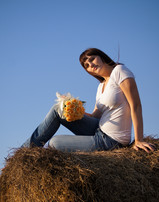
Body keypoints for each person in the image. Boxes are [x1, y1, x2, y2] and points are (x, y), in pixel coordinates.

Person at [22, 48, 155, 152]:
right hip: (98, 129)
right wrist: (70, 105)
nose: (91, 64)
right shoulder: (101, 86)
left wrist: (138, 140)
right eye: (87, 65)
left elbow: (136, 105)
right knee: (58, 109)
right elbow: (95, 116)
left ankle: (27, 151)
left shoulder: (119, 71)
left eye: (92, 59)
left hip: (111, 140)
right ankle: (25, 152)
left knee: (54, 143)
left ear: (101, 56)